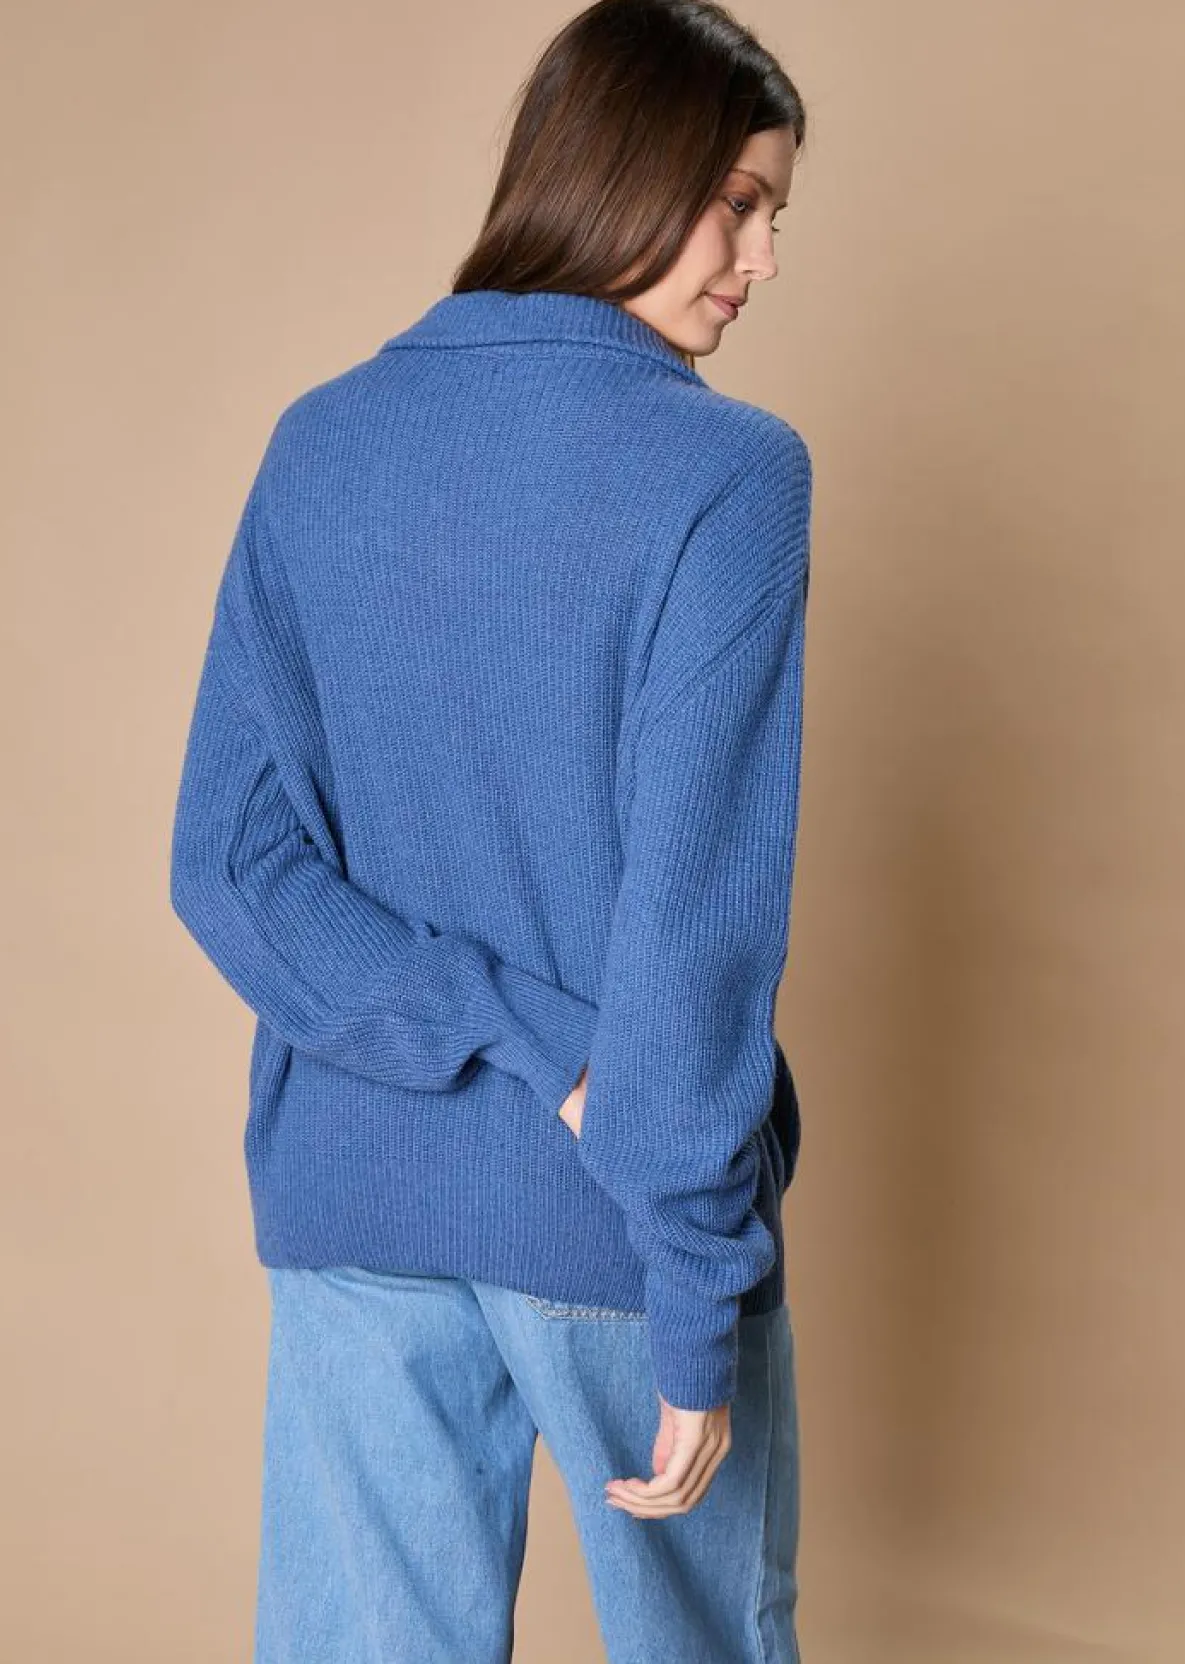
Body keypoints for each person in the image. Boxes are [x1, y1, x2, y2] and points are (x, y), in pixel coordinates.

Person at [169, 0, 813, 1656]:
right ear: (628, 169)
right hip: (619, 1215)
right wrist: (696, 1283)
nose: (760, 257)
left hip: (355, 1196)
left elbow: (231, 867)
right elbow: (692, 929)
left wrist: (491, 1022)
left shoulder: (321, 442)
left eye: (775, 216)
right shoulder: (726, 475)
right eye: (738, 201)